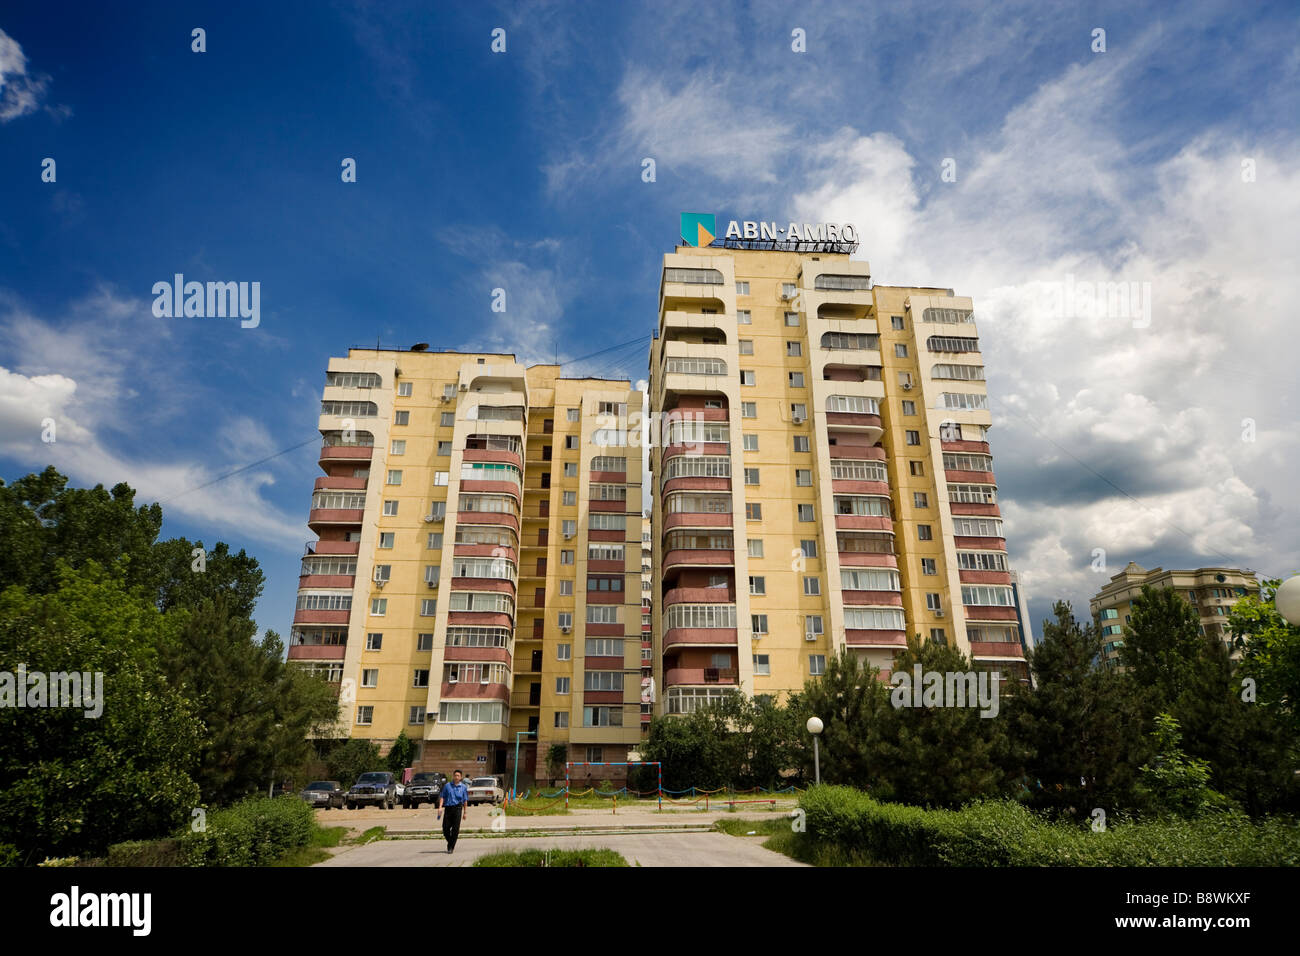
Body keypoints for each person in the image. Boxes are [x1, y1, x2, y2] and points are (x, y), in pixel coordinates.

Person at [437, 769, 469, 854]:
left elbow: (465, 800)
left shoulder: (463, 787)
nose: (456, 777)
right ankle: (450, 842)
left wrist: (465, 812)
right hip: (448, 809)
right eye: (455, 775)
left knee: (455, 830)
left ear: (461, 777)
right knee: (445, 828)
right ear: (453, 776)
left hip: (458, 809)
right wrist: (440, 807)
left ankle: (451, 847)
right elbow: (442, 797)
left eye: (458, 776)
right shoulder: (447, 786)